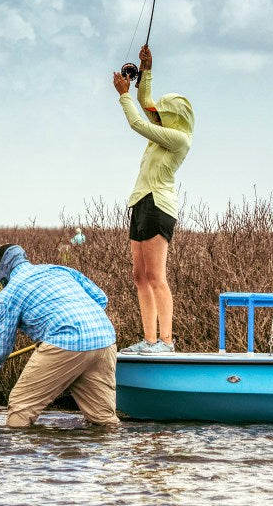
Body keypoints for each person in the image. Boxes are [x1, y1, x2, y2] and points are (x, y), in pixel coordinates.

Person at [0, 243, 119, 427]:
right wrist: (80, 324)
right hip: (104, 339)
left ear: (3, 268)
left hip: (65, 344)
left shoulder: (9, 294)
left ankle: (13, 454)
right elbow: (101, 298)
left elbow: (4, 338)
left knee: (21, 405)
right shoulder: (59, 269)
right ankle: (114, 451)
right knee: (103, 417)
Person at [112, 44, 194, 354]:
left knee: (156, 276)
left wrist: (123, 95)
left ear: (175, 117)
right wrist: (146, 70)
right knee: (139, 276)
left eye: (163, 112)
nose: (156, 113)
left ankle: (167, 342)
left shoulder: (177, 138)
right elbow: (145, 103)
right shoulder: (163, 129)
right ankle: (149, 340)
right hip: (141, 202)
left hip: (159, 206)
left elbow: (138, 122)